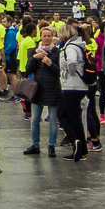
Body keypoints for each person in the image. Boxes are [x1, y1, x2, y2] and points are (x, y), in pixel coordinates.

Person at [24, 26, 62, 157]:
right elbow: (28, 70)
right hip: (37, 89)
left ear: (52, 37)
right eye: (44, 36)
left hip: (53, 89)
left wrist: (50, 64)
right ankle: (35, 145)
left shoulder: (57, 52)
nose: (46, 38)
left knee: (53, 120)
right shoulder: (35, 50)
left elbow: (59, 72)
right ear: (40, 37)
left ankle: (51, 146)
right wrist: (34, 58)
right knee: (34, 119)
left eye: (49, 36)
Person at [57, 24, 89, 161]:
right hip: (78, 86)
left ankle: (76, 141)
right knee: (72, 116)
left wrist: (69, 73)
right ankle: (80, 147)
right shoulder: (78, 45)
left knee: (67, 115)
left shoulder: (70, 47)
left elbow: (72, 61)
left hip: (72, 86)